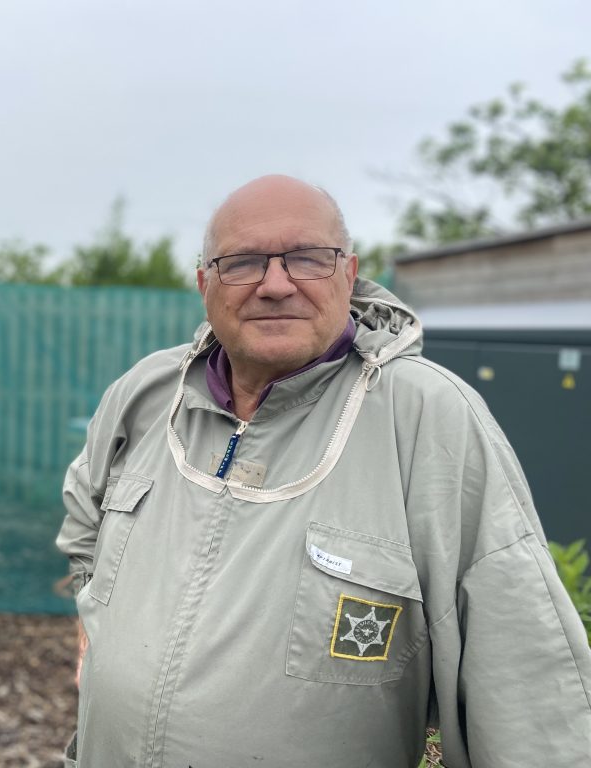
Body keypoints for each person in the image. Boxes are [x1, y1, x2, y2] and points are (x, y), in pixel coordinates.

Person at [55, 174, 591, 768]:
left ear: (348, 272)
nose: (275, 285)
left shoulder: (424, 416)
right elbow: (86, 520)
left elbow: (525, 677)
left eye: (307, 259)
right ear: (205, 282)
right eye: (243, 263)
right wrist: (96, 632)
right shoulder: (151, 392)